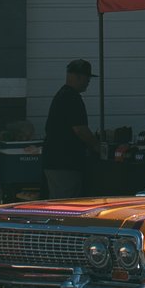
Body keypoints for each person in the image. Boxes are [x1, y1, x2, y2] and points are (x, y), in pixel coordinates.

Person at [43, 59, 97, 197]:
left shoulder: (62, 95)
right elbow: (80, 129)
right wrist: (97, 146)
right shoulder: (71, 98)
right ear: (78, 77)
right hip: (64, 164)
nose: (88, 82)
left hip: (56, 161)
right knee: (66, 203)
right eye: (87, 78)